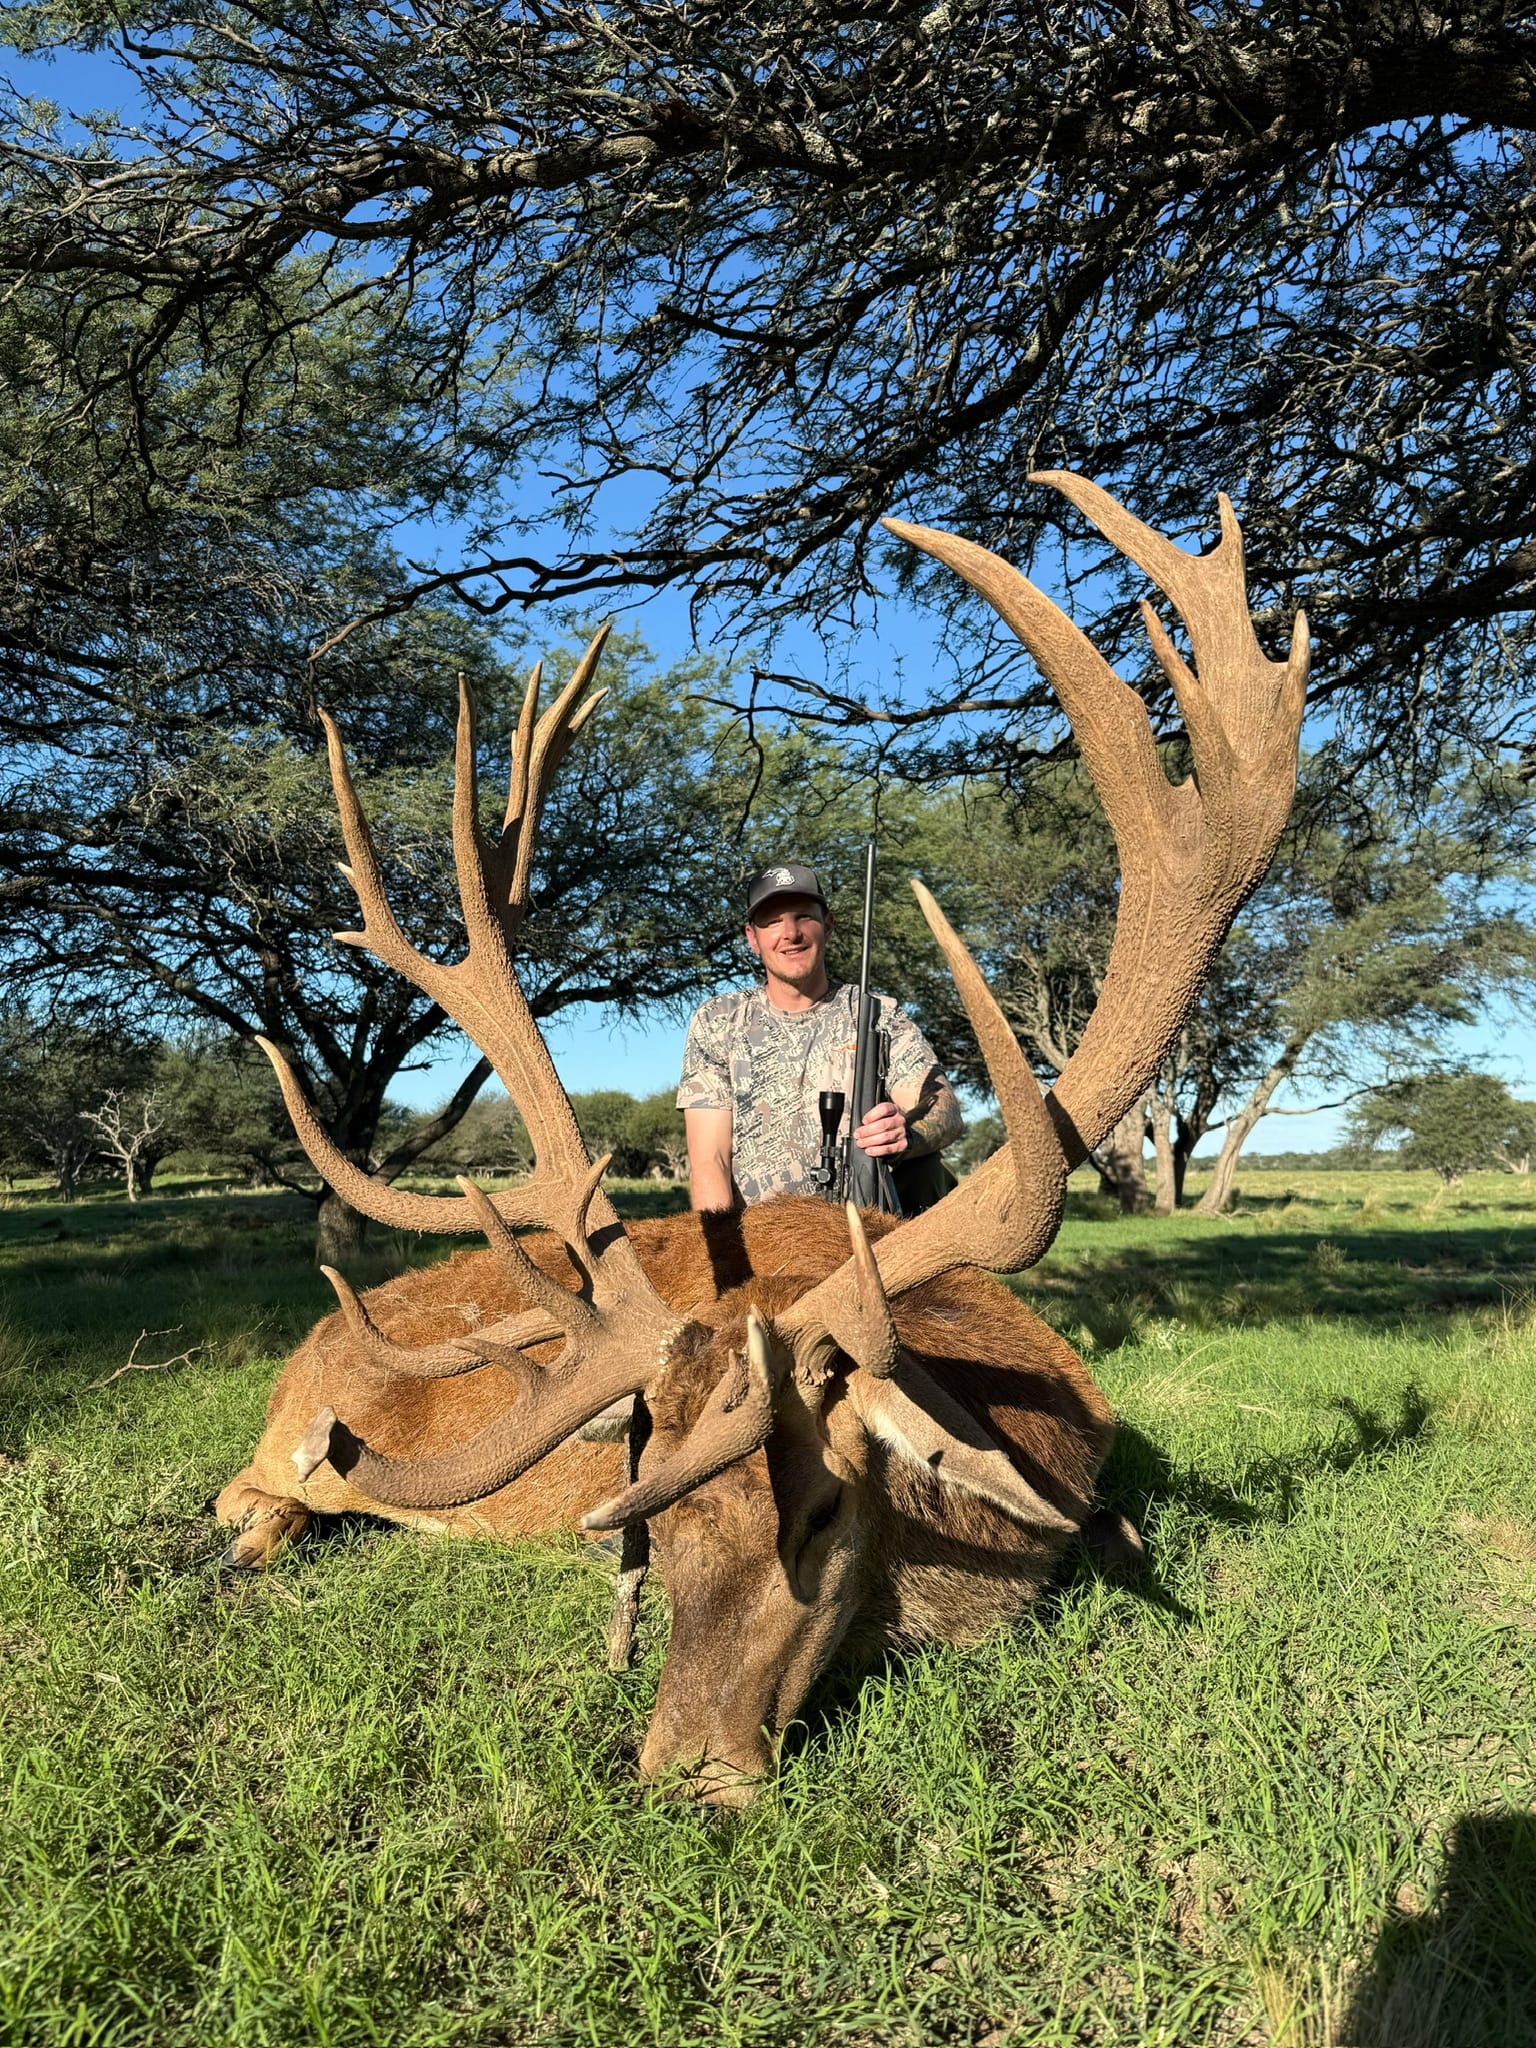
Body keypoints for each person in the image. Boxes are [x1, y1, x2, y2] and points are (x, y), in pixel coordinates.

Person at [677, 860, 964, 1213]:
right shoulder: (719, 1020)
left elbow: (944, 1109)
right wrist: (725, 1258)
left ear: (827, 926)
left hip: (868, 1229)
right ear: (752, 938)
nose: (791, 933)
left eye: (803, 916)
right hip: (762, 1242)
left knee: (927, 1170)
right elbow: (711, 1162)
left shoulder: (879, 1015)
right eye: (772, 921)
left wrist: (907, 1134)